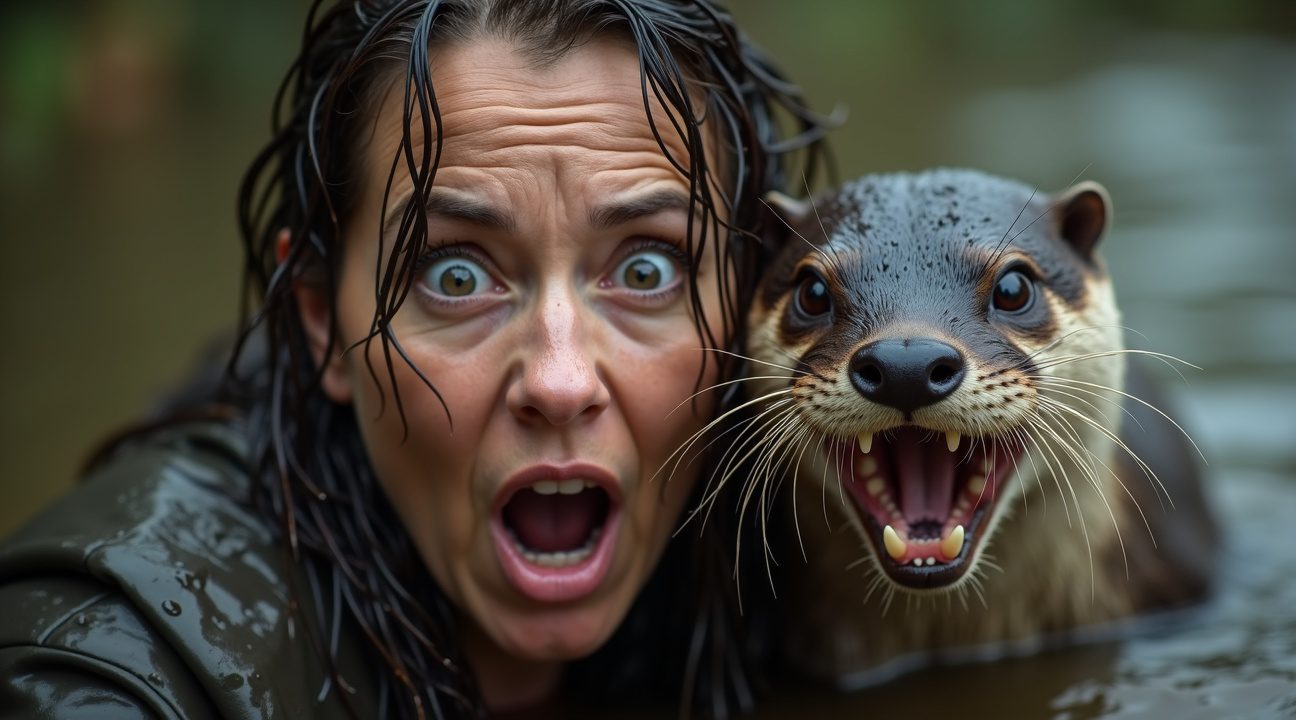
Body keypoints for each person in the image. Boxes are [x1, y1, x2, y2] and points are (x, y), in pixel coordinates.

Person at [0, 0, 829, 718]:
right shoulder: (124, 649)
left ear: (749, 293)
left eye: (646, 270)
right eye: (455, 275)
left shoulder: (823, 534)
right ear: (321, 318)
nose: (560, 381)